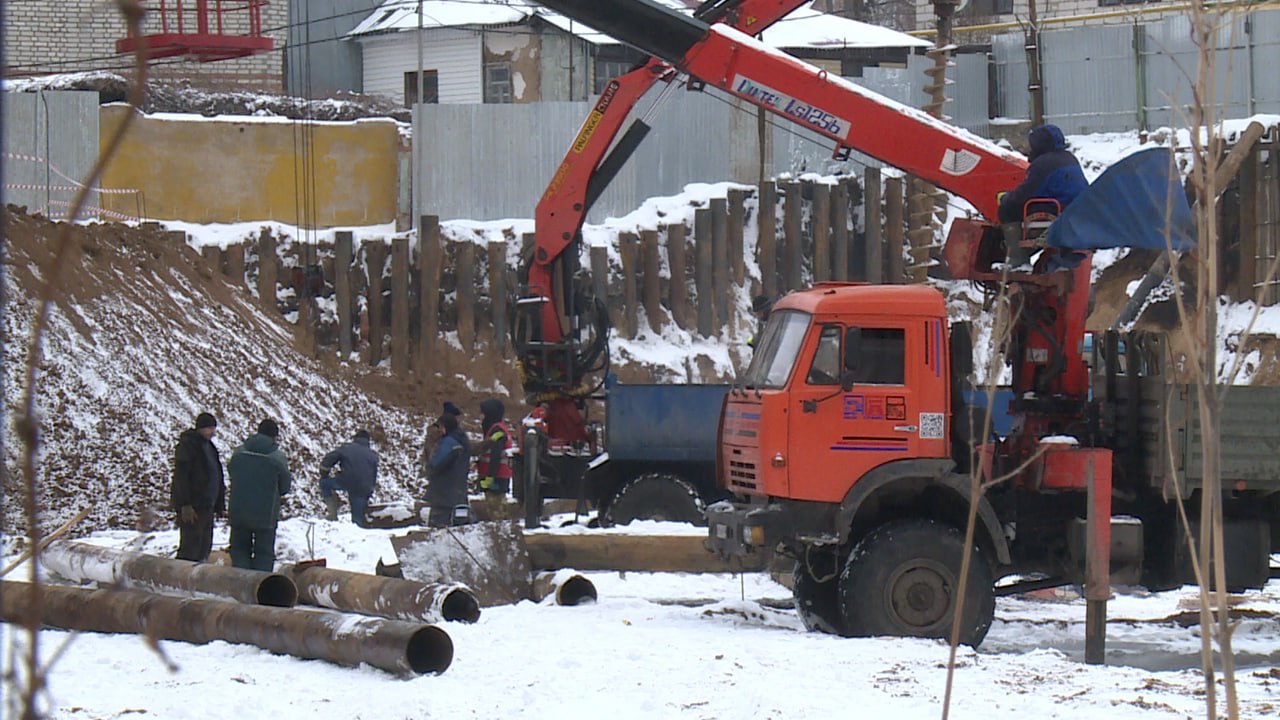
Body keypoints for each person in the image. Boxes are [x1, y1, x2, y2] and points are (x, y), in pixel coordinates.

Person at [227, 419, 292, 571]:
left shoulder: (238, 452)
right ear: (274, 436)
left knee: (239, 549)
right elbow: (284, 487)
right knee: (263, 553)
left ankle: (240, 584)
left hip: (239, 510)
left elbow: (232, 473)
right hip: (265, 514)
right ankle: (259, 586)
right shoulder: (277, 457)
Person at [997, 123, 1088, 226]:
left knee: (1008, 209)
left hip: (1057, 208)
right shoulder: (1070, 158)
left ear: (1039, 144)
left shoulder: (1043, 164)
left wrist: (1006, 199)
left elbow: (1025, 193)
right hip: (1077, 207)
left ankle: (1013, 241)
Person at [171, 412, 225, 562]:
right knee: (190, 548)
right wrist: (185, 504)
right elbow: (181, 477)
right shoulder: (188, 446)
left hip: (207, 505)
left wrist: (219, 504)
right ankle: (179, 580)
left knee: (204, 546)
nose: (213, 432)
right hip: (194, 507)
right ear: (200, 428)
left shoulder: (209, 447)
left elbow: (217, 475)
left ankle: (197, 580)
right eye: (209, 428)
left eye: (214, 428)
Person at [319, 429, 379, 527]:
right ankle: (358, 528)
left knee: (325, 484)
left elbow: (330, 458)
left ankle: (332, 513)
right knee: (357, 518)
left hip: (346, 481)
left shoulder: (347, 448)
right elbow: (373, 475)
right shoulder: (372, 455)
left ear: (355, 438)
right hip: (363, 487)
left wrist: (324, 472)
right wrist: (369, 490)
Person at [426, 413, 471, 528]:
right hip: (460, 492)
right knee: (460, 527)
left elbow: (435, 464)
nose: (439, 430)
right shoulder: (464, 440)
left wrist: (430, 450)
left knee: (438, 529)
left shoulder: (449, 443)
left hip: (444, 496)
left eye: (440, 427)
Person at [476, 399, 515, 514]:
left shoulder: (497, 430)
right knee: (497, 507)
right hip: (498, 476)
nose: (481, 417)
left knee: (496, 509)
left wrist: (489, 477)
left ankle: (500, 530)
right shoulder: (496, 428)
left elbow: (495, 455)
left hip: (496, 477)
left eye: (483, 413)